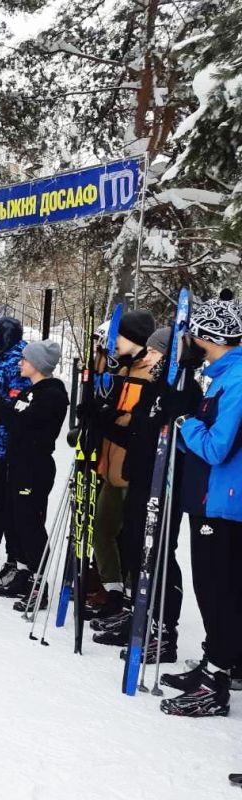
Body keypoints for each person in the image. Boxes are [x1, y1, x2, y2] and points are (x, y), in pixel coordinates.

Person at [91, 326, 202, 661]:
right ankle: (138, 613)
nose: (148, 357)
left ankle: (164, 630)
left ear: (171, 357)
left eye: (155, 353)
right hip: (138, 479)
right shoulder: (154, 390)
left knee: (160, 555)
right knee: (132, 545)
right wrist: (103, 421)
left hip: (164, 486)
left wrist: (176, 412)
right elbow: (139, 438)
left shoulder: (185, 391)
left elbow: (179, 444)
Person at [160, 293, 242, 718]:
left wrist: (184, 418)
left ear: (208, 337)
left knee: (217, 592)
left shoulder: (238, 379)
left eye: (191, 336)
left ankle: (217, 681)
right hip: (210, 498)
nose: (186, 342)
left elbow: (216, 447)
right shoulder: (221, 374)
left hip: (224, 505)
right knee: (213, 590)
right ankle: (215, 664)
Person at [0, 339, 68, 602]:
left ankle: (38, 579)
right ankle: (22, 571)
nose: (20, 363)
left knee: (30, 522)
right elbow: (6, 416)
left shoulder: (51, 394)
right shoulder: (29, 391)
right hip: (17, 462)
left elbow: (21, 423)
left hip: (35, 465)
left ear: (39, 365)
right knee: (14, 518)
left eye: (26, 360)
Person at [87, 310, 156, 618]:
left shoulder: (149, 370)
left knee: (132, 536)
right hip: (110, 463)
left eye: (121, 337)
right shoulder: (120, 366)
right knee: (101, 528)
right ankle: (112, 588)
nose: (114, 343)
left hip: (133, 468)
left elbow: (140, 419)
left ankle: (132, 595)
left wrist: (113, 418)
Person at [0, 318, 31, 583]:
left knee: (7, 504)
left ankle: (14, 558)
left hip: (8, 444)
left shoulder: (18, 360)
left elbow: (14, 407)